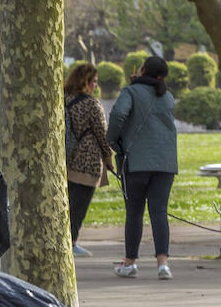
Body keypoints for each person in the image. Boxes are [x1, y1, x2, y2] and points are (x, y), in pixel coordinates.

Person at [107, 55, 178, 280]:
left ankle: (130, 263)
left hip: (136, 161)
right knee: (159, 212)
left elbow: (118, 115)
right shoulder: (167, 96)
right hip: (165, 162)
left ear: (143, 69)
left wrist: (112, 140)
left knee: (134, 213)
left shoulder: (130, 92)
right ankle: (163, 265)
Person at [63, 62, 112, 258]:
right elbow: (102, 133)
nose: (96, 86)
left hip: (66, 158)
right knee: (79, 205)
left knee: (67, 204)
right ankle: (72, 242)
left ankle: (66, 239)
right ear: (85, 82)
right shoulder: (91, 104)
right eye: (94, 82)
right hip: (87, 160)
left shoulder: (63, 100)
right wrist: (108, 157)